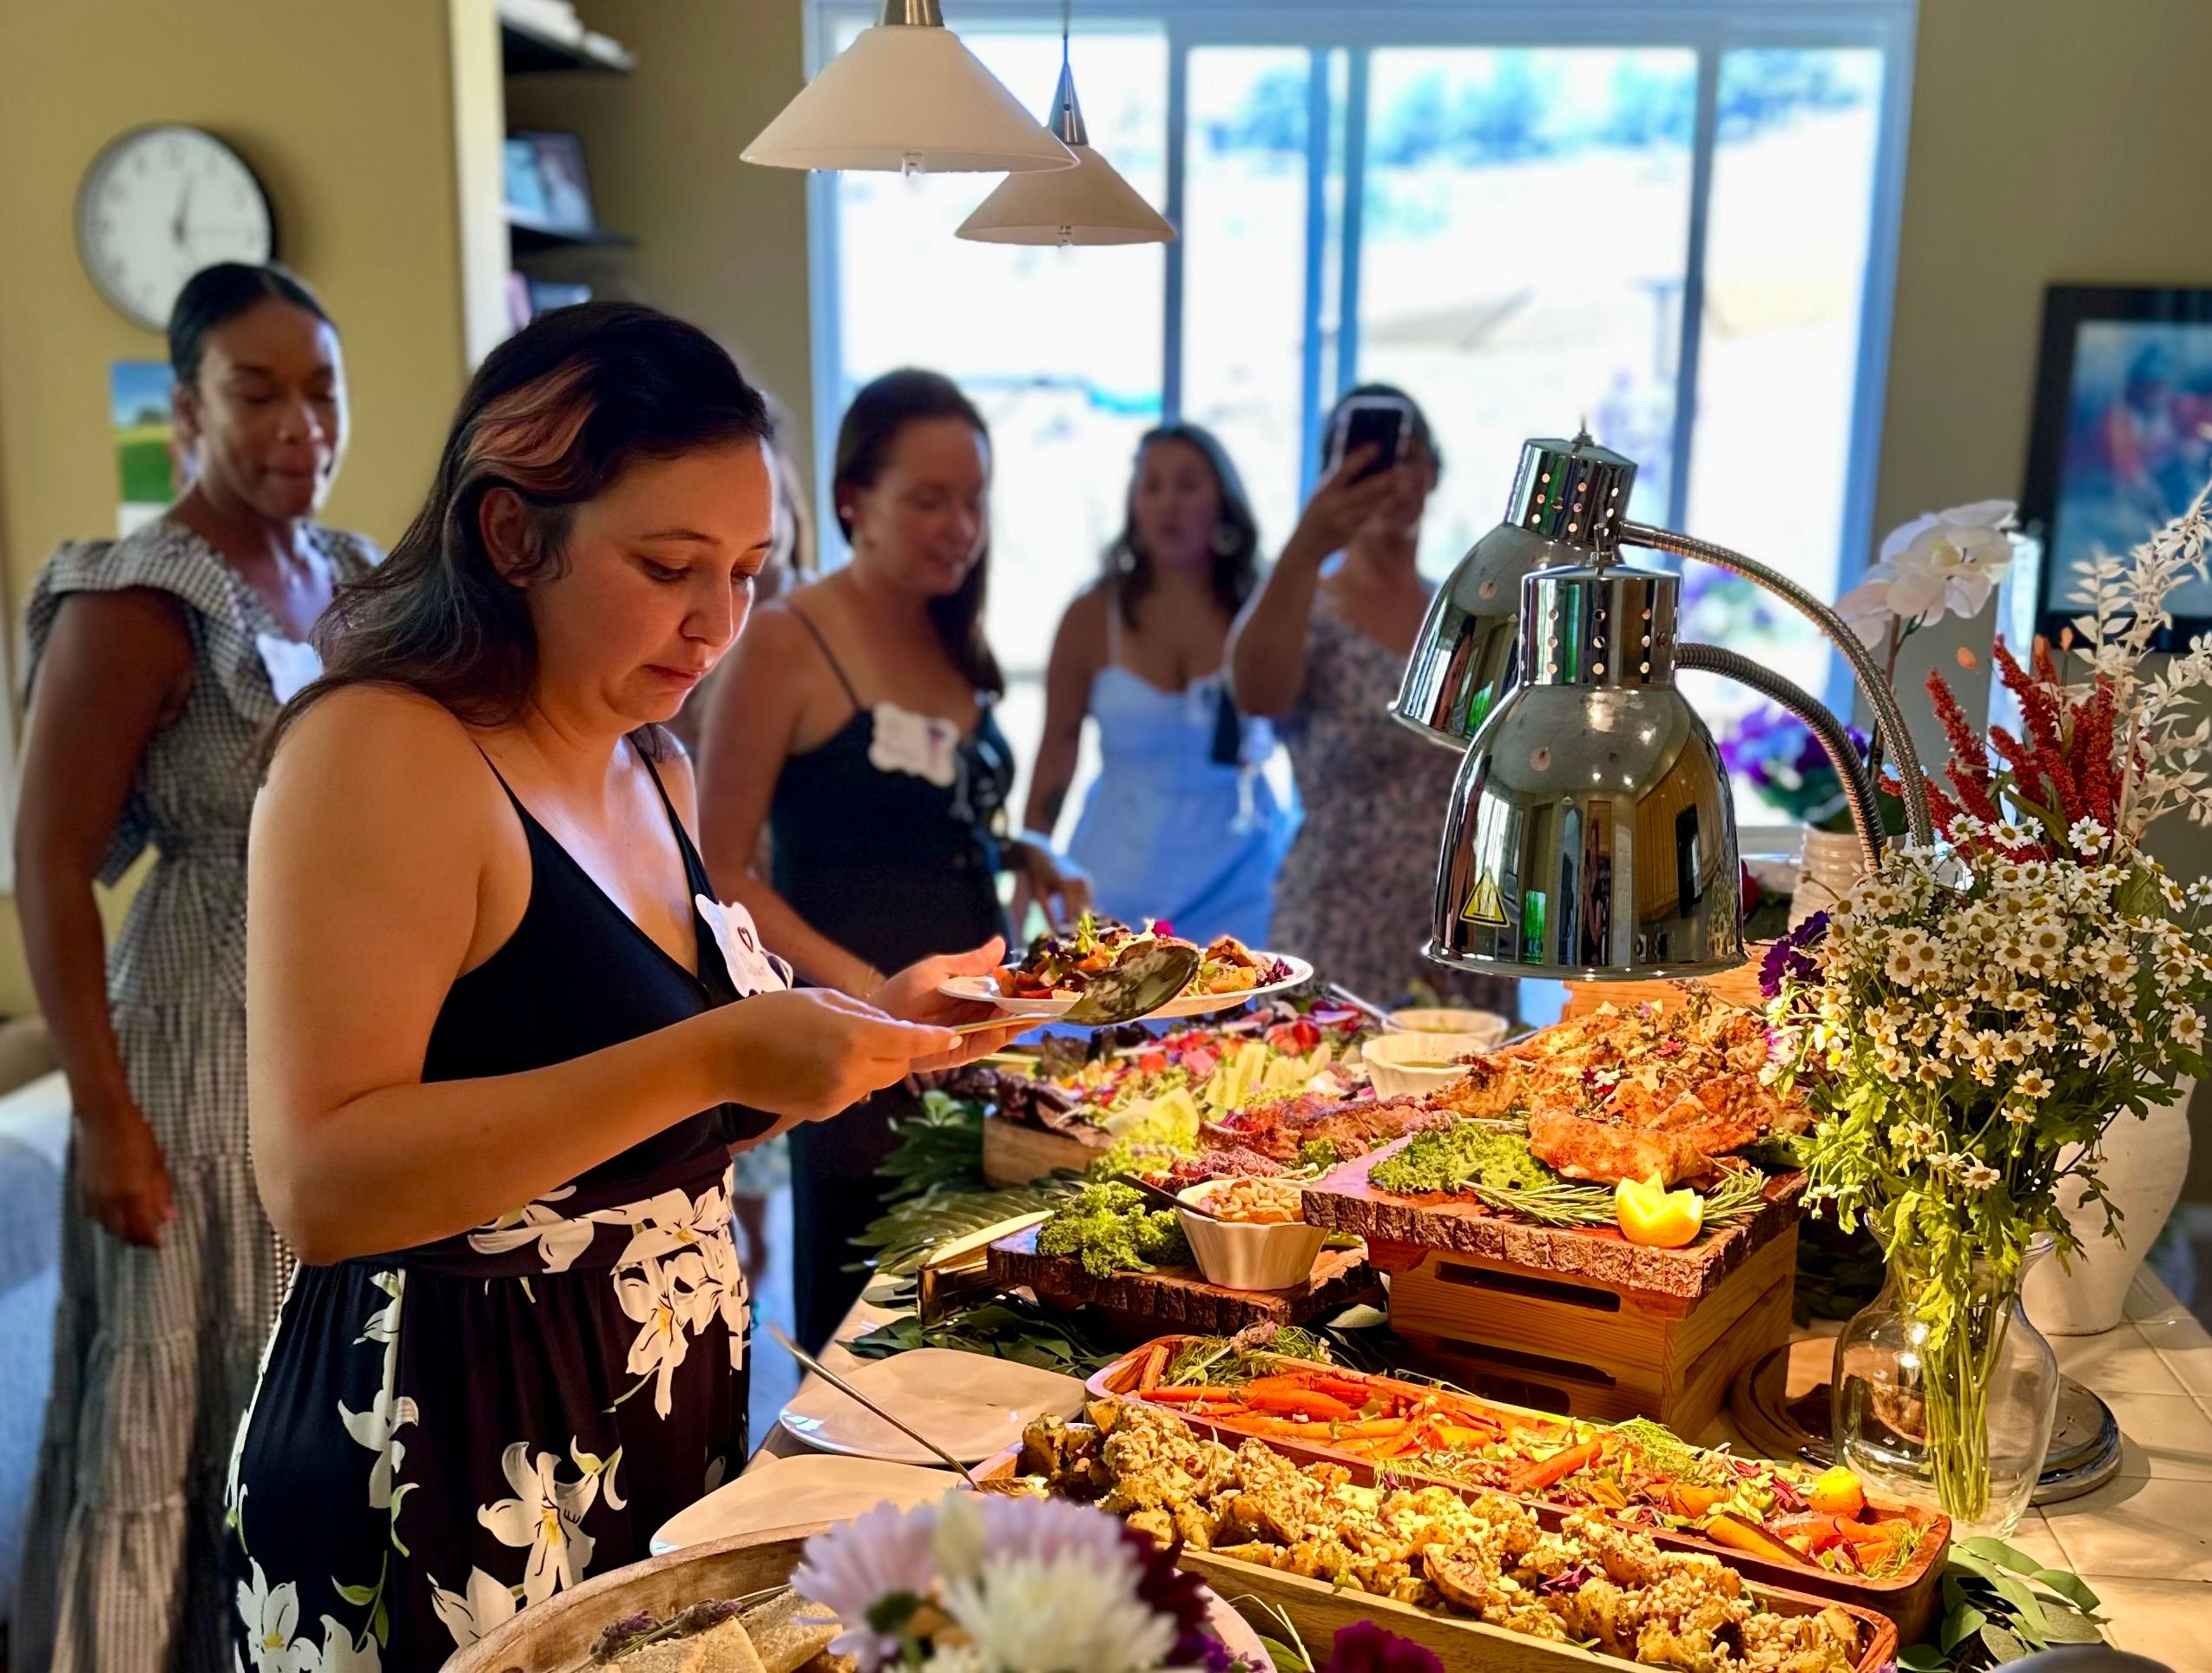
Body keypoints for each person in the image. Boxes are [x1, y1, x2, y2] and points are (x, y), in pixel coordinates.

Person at [226, 305, 1018, 1668]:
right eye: (668, 567)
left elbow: (663, 1116)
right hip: (452, 1432)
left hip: (644, 1402)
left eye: (752, 573)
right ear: (513, 534)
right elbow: (322, 1179)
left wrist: (878, 1025)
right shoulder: (387, 752)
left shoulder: (654, 760)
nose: (715, 620)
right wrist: (713, 1055)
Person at [14, 263, 377, 1673]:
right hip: (193, 1039)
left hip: (330, 1027)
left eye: (322, 388)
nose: (301, 423)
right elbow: (50, 863)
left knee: (298, 1376)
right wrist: (104, 1117)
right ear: (187, 409)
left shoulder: (344, 576)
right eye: (258, 390)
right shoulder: (136, 598)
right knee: (179, 1398)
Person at [696, 368, 1087, 1348]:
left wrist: (1021, 846)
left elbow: (922, 820)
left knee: (982, 1323)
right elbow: (721, 869)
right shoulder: (786, 640)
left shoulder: (948, 633)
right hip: (862, 1049)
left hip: (970, 1041)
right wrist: (876, 1000)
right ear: (850, 502)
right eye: (928, 500)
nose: (960, 526)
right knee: (866, 1341)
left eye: (973, 500)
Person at [1227, 384, 1514, 1016]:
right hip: (1340, 916)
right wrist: (1305, 547)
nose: (1388, 478)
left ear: (1433, 472)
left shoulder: (1467, 610)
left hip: (1464, 919)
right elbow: (1255, 691)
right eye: (1362, 459)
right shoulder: (1308, 604)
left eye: (1405, 456)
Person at [1025, 423, 1297, 946]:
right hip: (1115, 876)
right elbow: (1057, 747)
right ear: (1133, 503)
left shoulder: (1262, 608)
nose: (1168, 503)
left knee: (1243, 1022)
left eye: (1188, 484)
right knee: (1103, 1020)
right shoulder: (1089, 616)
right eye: (1151, 486)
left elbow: (1303, 728)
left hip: (1241, 875)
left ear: (1223, 499)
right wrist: (1029, 855)